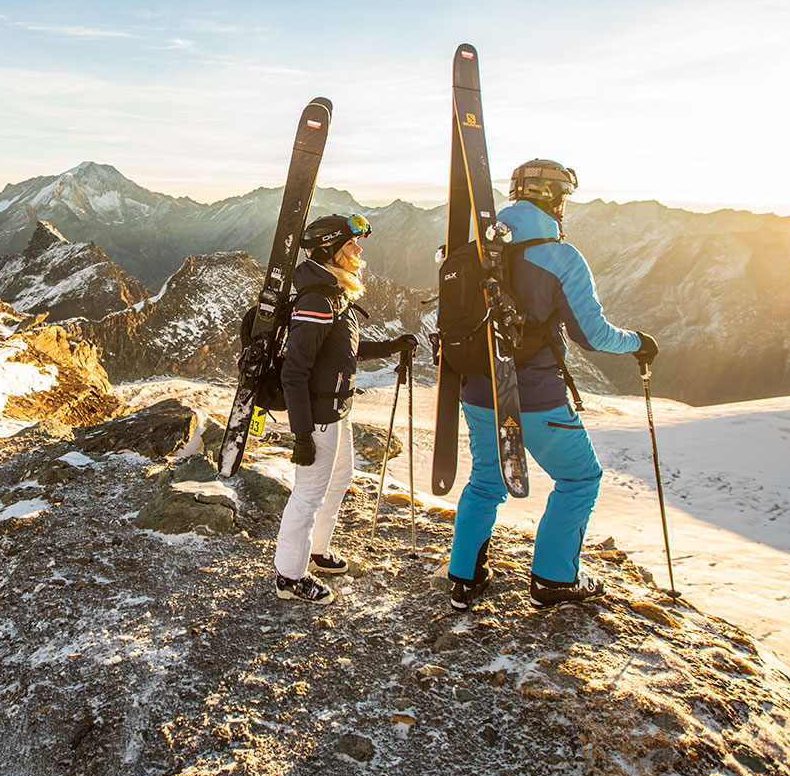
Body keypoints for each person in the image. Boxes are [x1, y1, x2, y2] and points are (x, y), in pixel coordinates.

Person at [446, 160, 659, 610]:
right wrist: (639, 342)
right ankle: (554, 579)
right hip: (536, 397)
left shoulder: (477, 252)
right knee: (580, 478)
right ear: (556, 199)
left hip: (479, 390)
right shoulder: (560, 256)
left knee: (486, 481)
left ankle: (465, 579)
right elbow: (592, 335)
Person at [274, 213, 416, 604]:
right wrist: (301, 435)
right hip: (319, 416)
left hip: (337, 409)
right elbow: (295, 373)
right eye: (350, 244)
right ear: (329, 251)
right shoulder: (318, 300)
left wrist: (390, 347)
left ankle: (316, 551)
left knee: (338, 481)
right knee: (307, 496)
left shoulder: (333, 292)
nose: (358, 249)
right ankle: (289, 577)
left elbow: (341, 352)